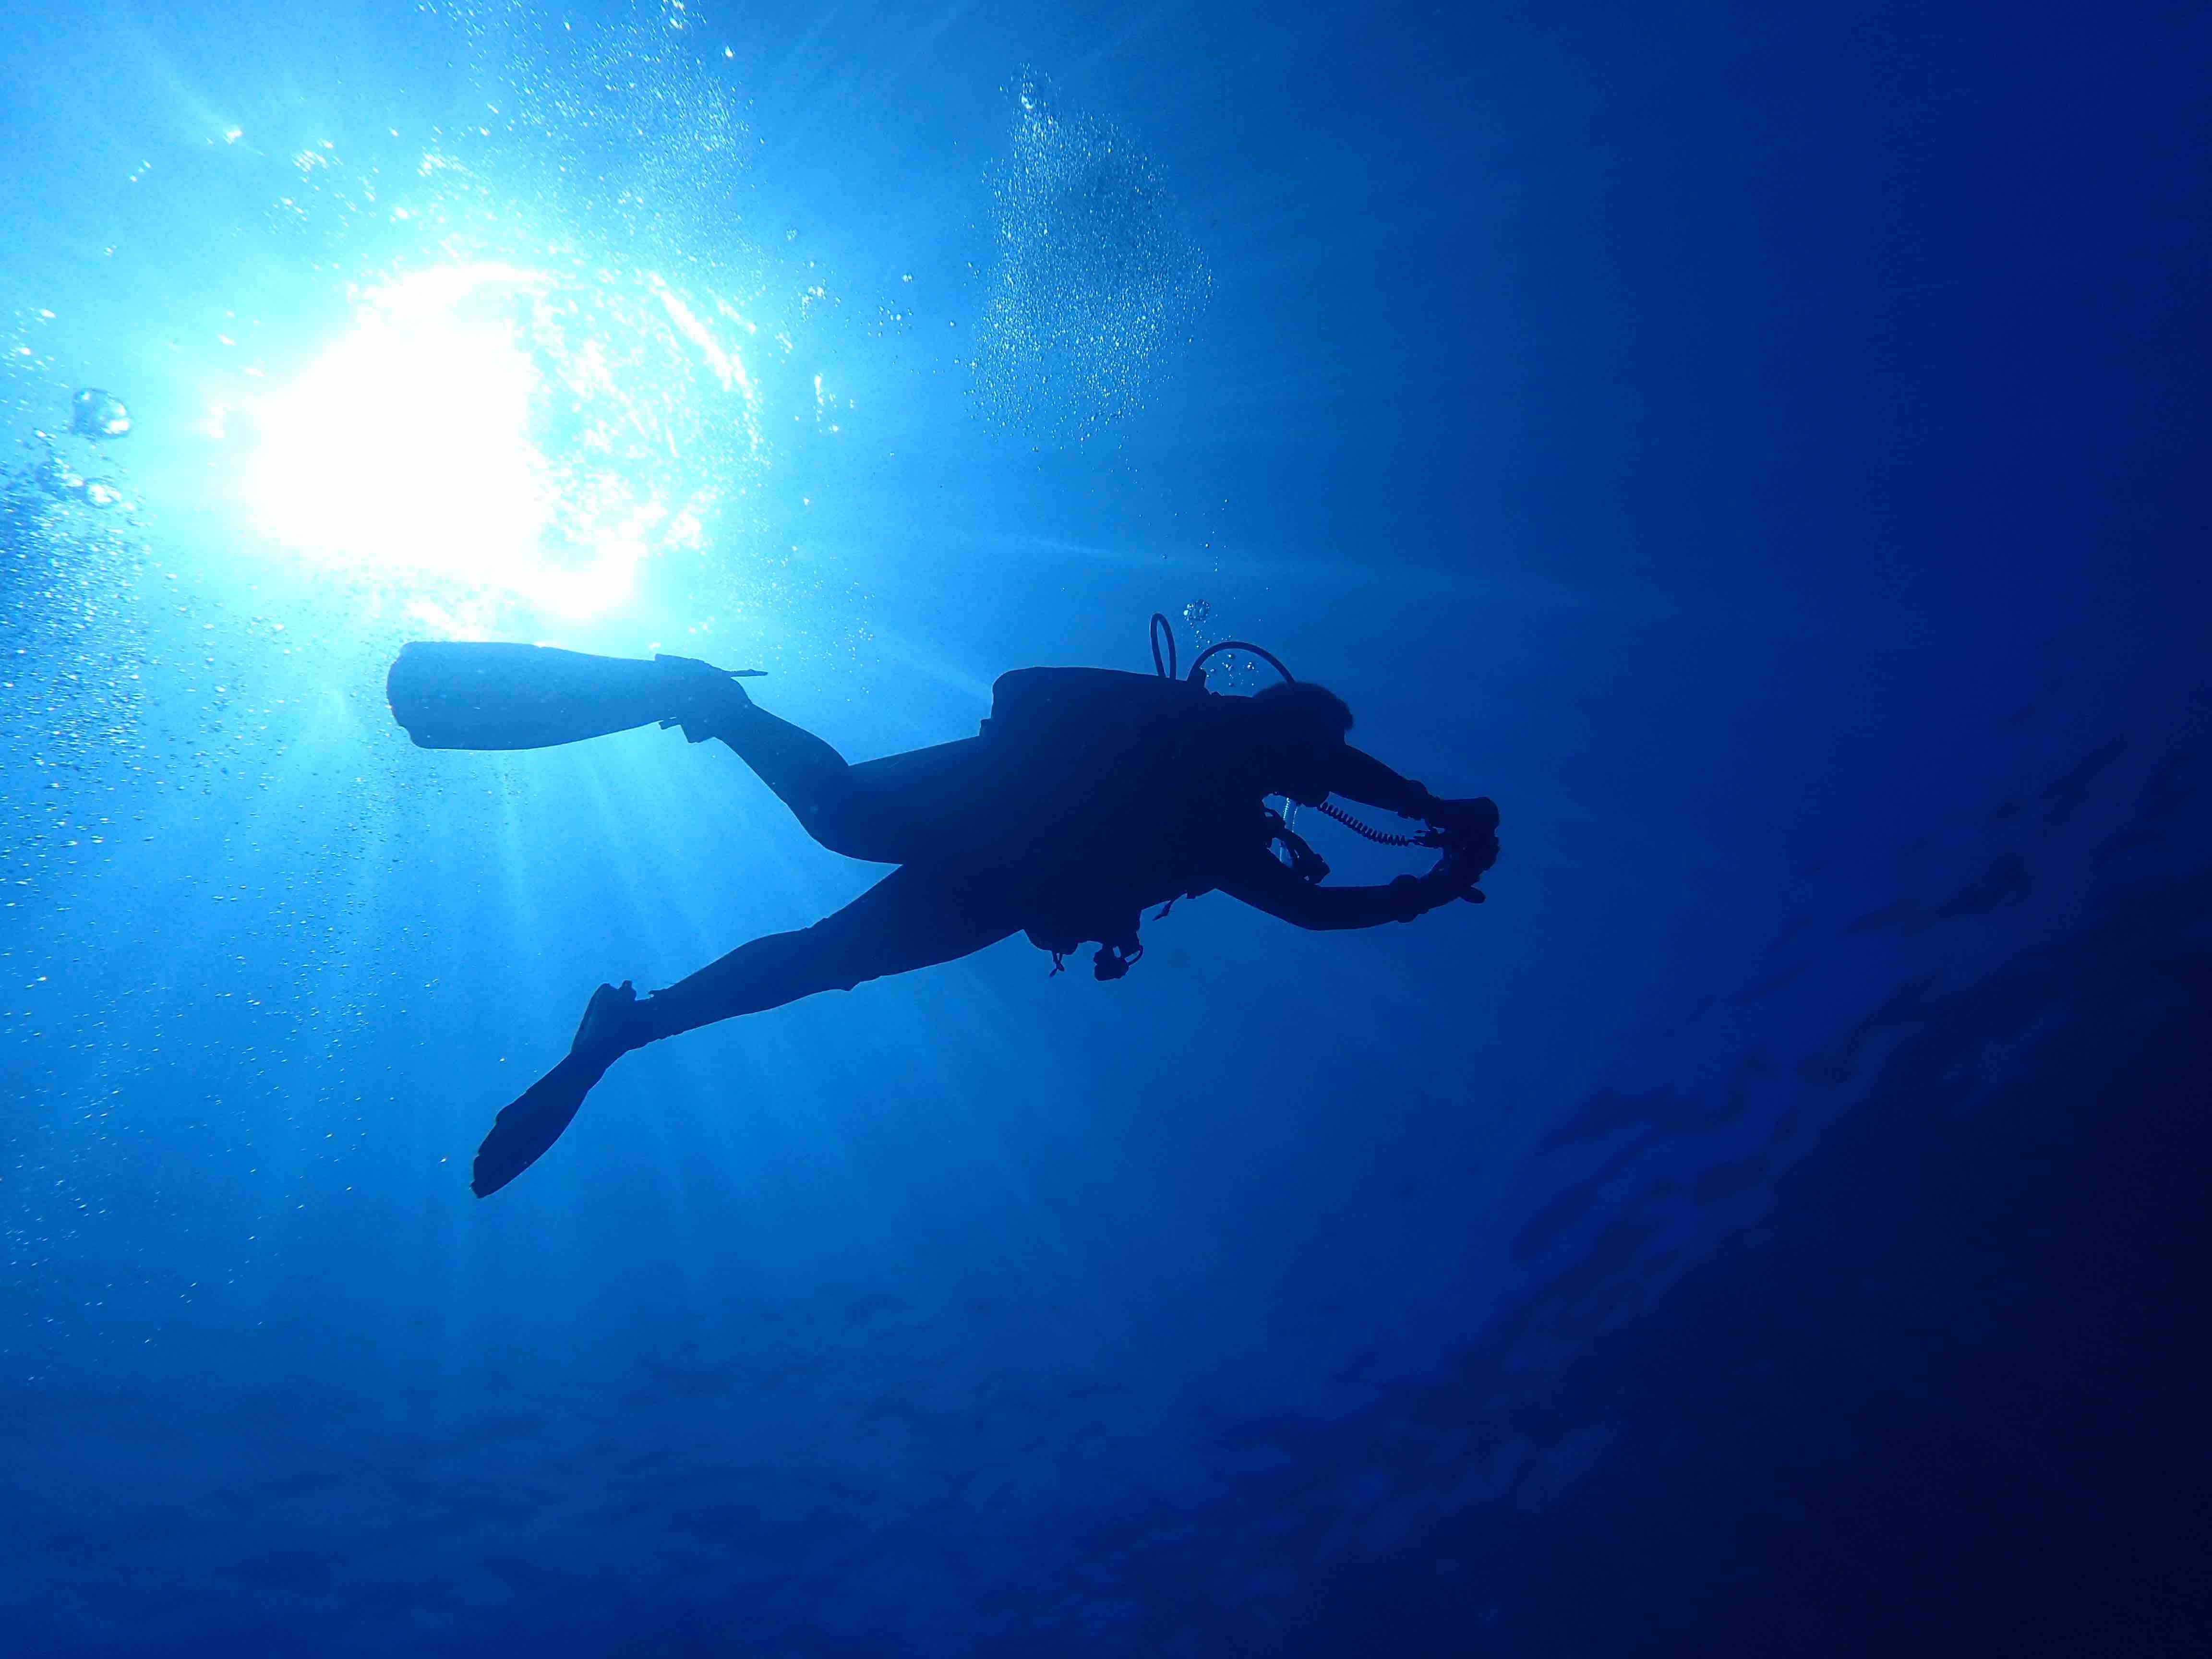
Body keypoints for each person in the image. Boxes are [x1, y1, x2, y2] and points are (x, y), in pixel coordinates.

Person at [469, 658, 1500, 1195]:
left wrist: (1423, 886)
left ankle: (632, 1033)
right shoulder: (1210, 735)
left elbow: (1313, 909)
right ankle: (709, 700)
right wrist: (1434, 816)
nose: (1311, 774)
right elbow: (1332, 782)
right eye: (1311, 746)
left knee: (827, 962)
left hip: (1008, 884)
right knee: (840, 819)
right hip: (1001, 801)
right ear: (1289, 725)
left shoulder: (1228, 831)